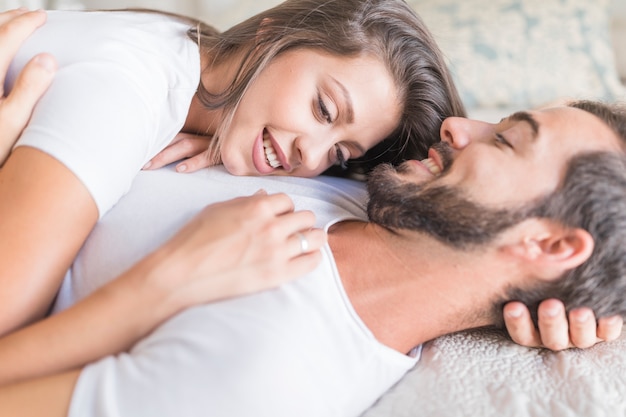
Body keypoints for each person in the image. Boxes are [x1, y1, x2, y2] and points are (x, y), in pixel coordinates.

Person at [2, 99, 626, 416]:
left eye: (508, 140)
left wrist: (159, 287)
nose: (460, 126)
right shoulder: (373, 189)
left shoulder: (267, 379)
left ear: (549, 246)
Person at [0, 0, 465, 336]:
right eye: (323, 109)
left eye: (340, 154)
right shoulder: (127, 95)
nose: (312, 155)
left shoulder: (187, 46)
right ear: (269, 38)